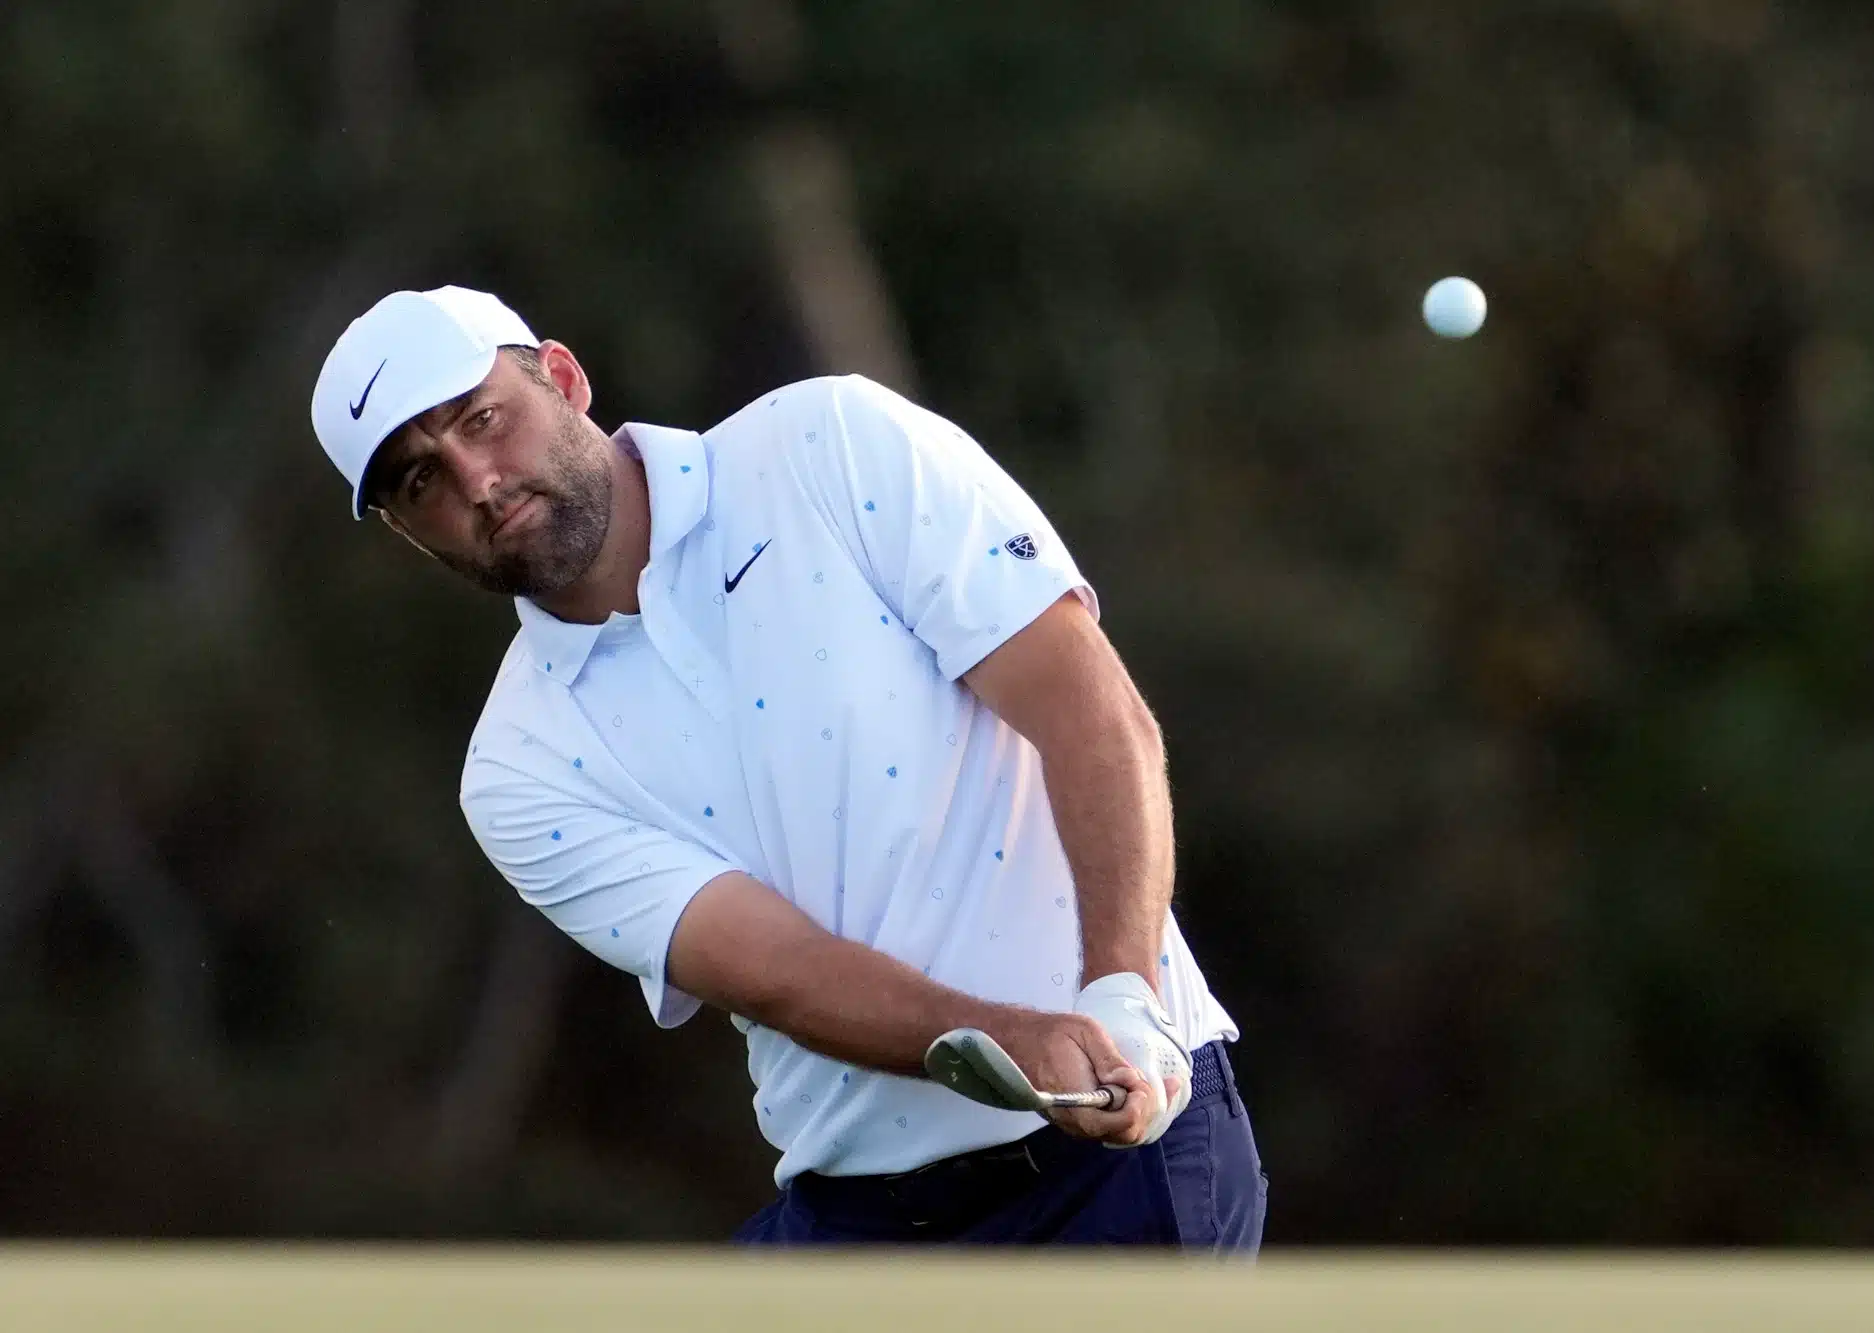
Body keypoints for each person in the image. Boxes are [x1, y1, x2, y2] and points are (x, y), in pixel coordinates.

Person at [309, 285, 1266, 1248]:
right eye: (421, 480)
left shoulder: (828, 442)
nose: (477, 481)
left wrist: (1119, 994)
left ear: (563, 377)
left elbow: (1090, 714)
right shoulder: (517, 765)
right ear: (404, 528)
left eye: (483, 420)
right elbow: (784, 972)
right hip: (862, 1211)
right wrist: (1003, 1035)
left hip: (1125, 1160)